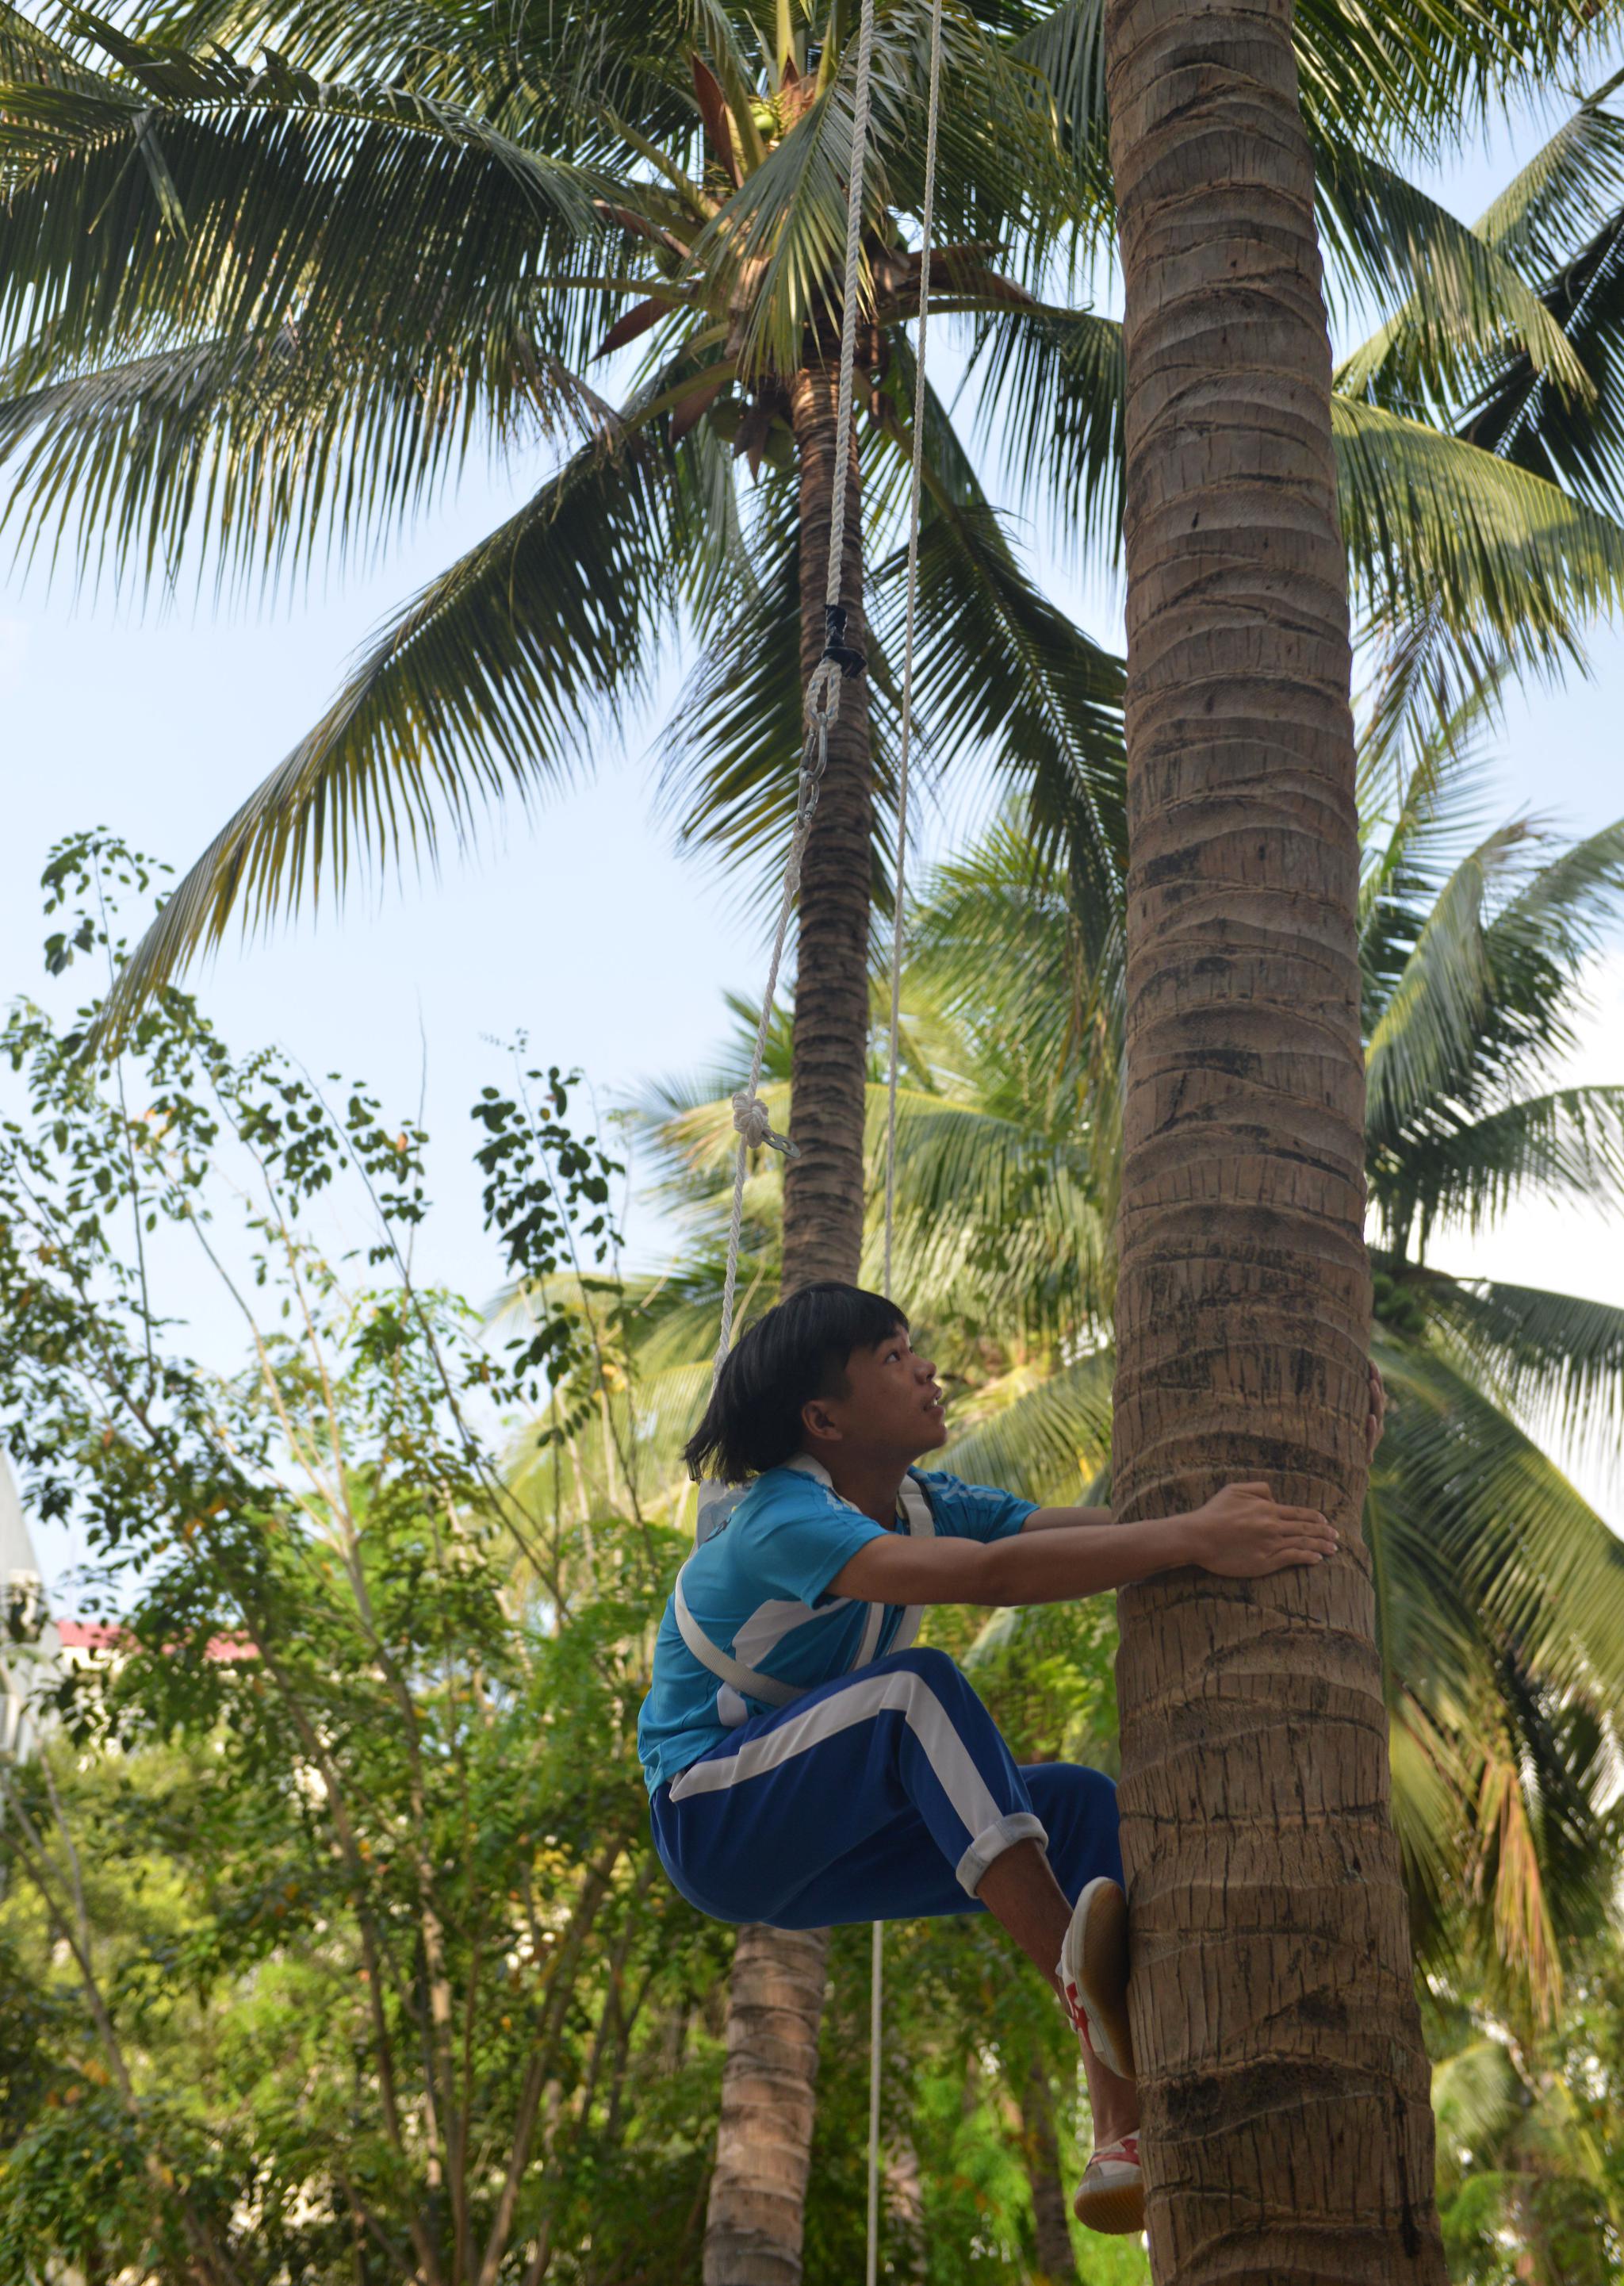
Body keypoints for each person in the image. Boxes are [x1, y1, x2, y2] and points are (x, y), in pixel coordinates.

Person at [638, 1283, 1381, 2235]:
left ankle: (1118, 2134)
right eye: (892, 1356)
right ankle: (1084, 1994)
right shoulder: (782, 1516)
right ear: (822, 1419)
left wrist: (1315, 1468)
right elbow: (990, 1576)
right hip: (709, 1812)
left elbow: (1112, 1533)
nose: (925, 1367)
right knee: (914, 1692)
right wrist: (1197, 1534)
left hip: (811, 1844)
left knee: (1075, 1806)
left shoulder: (922, 1502)